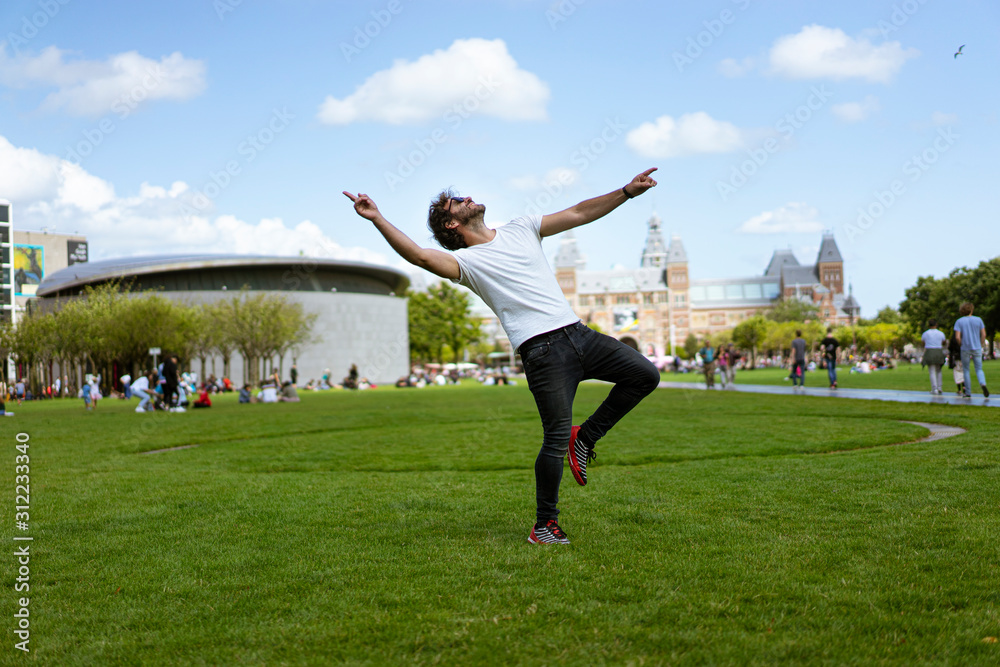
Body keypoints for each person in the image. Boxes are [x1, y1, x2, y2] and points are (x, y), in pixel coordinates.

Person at [345, 168, 660, 545]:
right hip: (542, 352)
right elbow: (419, 256)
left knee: (645, 375)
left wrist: (625, 191)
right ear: (450, 223)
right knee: (554, 439)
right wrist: (377, 217)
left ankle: (587, 437)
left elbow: (578, 212)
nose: (466, 198)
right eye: (456, 201)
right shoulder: (467, 265)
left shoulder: (521, 227)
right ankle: (545, 525)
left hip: (579, 333)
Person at [954, 302, 990, 398]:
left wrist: (961, 344)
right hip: (977, 347)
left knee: (966, 370)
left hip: (965, 348)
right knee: (979, 369)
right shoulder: (978, 320)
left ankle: (968, 392)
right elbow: (984, 334)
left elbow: (957, 337)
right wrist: (981, 343)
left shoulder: (959, 321)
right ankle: (982, 383)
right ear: (971, 310)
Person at [920, 319, 947, 395]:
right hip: (938, 351)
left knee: (932, 371)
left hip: (929, 351)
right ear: (936, 324)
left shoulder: (925, 333)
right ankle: (939, 387)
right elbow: (944, 342)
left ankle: (934, 388)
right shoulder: (941, 333)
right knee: (939, 370)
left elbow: (923, 343)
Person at [947, 331, 964, 396]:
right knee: (964, 372)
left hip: (956, 357)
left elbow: (950, 348)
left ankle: (959, 389)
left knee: (957, 373)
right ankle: (964, 387)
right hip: (963, 357)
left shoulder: (953, 339)